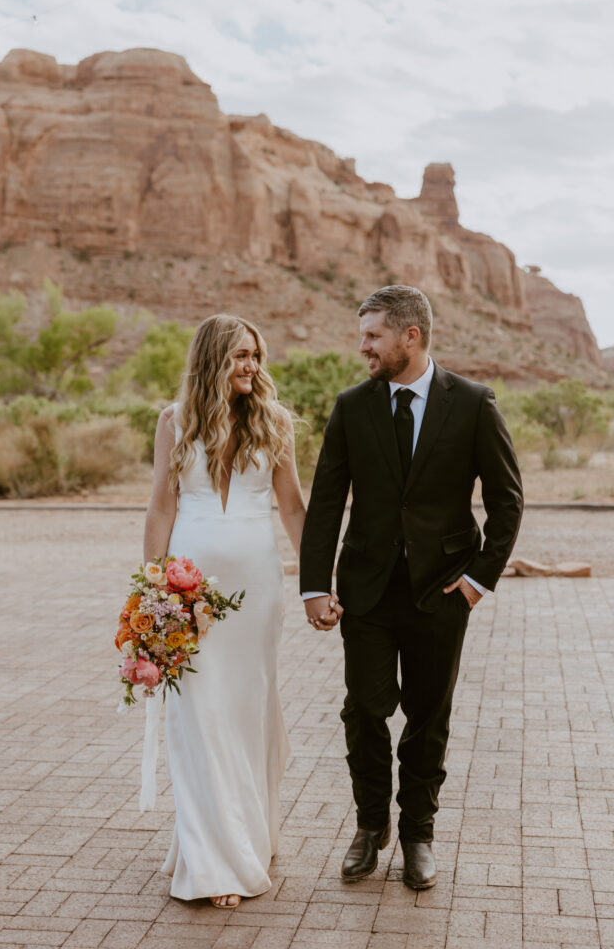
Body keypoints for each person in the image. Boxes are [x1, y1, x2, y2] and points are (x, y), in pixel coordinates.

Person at [300, 285, 523, 889]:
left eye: (372, 335)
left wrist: (478, 581)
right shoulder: (352, 406)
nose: (363, 346)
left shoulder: (473, 403)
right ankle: (371, 827)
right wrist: (314, 586)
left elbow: (507, 502)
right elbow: (325, 504)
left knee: (429, 714)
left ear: (410, 336)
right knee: (365, 710)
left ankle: (419, 834)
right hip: (366, 592)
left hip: (442, 591)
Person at [143, 313, 336, 909]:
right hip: (188, 589)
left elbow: (295, 511)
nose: (251, 365)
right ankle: (215, 860)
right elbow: (159, 511)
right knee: (197, 717)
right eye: (238, 356)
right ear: (211, 361)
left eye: (255, 354)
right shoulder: (174, 422)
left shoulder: (275, 422)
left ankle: (247, 835)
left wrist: (317, 585)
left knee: (246, 712)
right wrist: (151, 596)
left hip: (256, 592)